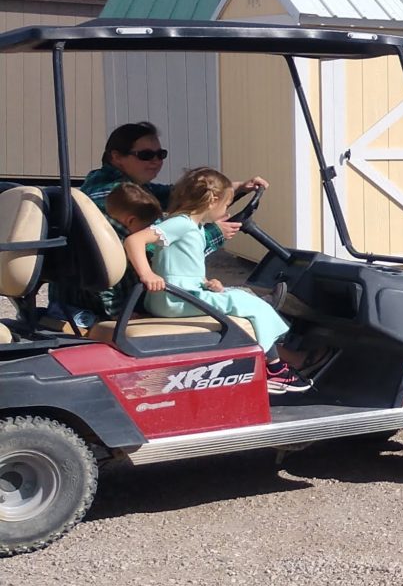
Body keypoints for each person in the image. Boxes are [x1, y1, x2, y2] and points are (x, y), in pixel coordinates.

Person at [121, 168, 305, 394]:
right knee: (252, 305)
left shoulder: (194, 227)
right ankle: (275, 370)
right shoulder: (182, 223)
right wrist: (147, 274)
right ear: (212, 201)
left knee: (239, 296)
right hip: (174, 299)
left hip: (180, 294)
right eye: (226, 205)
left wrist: (208, 282)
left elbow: (184, 266)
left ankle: (261, 312)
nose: (226, 211)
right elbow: (134, 241)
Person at [64, 122, 265, 321]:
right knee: (241, 306)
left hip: (108, 292)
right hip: (122, 301)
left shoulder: (119, 187)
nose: (156, 161)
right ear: (116, 157)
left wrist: (236, 188)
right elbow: (161, 251)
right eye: (146, 155)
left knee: (225, 295)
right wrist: (213, 233)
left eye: (160, 154)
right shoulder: (115, 197)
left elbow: (177, 195)